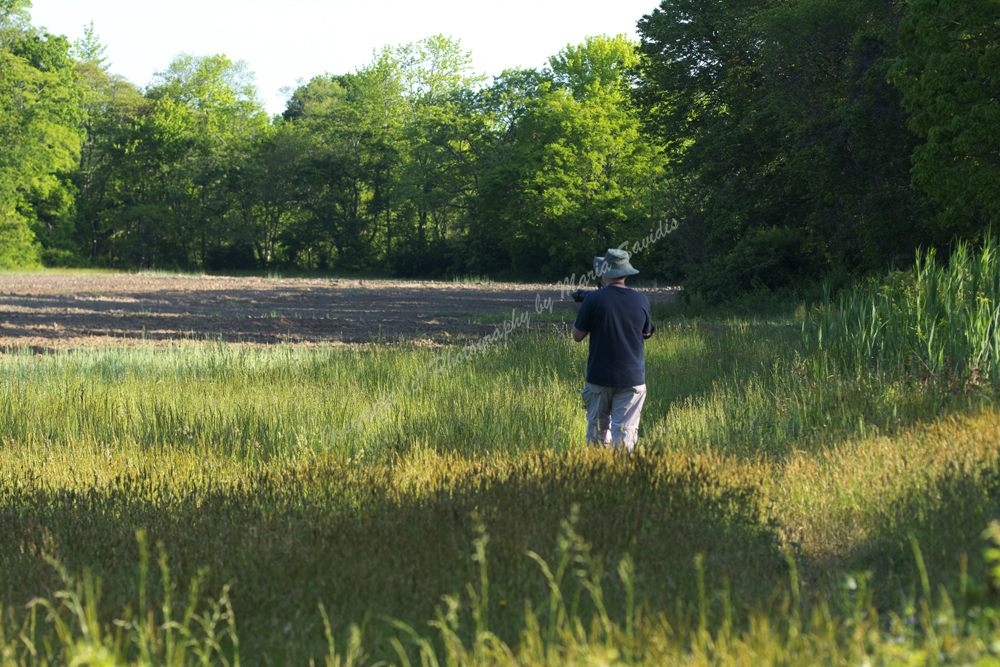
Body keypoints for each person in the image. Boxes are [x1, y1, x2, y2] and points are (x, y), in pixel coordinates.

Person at [572, 248, 655, 452]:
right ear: (626, 273)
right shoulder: (641, 300)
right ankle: (622, 476)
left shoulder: (593, 300)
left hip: (599, 376)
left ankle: (599, 473)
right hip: (632, 378)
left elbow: (577, 336)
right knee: (626, 431)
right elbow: (647, 333)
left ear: (604, 272)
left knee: (598, 431)